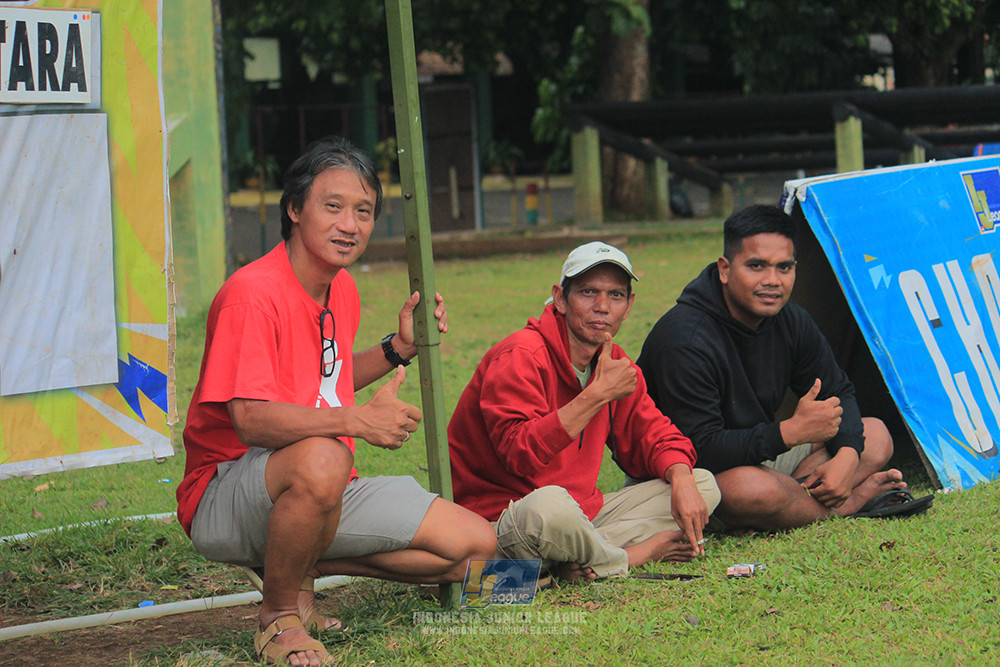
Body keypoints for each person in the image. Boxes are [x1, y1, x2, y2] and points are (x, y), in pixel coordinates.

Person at [176, 137, 496, 666]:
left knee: (479, 546)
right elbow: (250, 420)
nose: (349, 224)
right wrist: (357, 421)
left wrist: (398, 349)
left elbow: (330, 378)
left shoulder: (341, 288)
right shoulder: (251, 294)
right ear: (294, 209)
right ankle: (279, 616)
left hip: (320, 484)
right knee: (328, 454)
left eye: (363, 211)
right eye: (333, 206)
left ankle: (304, 561)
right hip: (225, 492)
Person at [637, 204, 931, 533]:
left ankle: (794, 501)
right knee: (749, 488)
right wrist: (790, 433)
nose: (772, 281)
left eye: (784, 267)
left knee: (874, 436)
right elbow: (698, 448)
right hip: (689, 475)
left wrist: (846, 459)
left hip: (758, 455)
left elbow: (837, 390)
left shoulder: (790, 319)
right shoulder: (684, 339)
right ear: (725, 269)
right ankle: (846, 505)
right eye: (756, 266)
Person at [447, 242, 721, 583]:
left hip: (581, 516)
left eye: (616, 295)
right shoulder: (520, 355)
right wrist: (596, 395)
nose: (602, 306)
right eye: (588, 292)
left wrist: (680, 476)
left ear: (629, 306)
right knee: (550, 505)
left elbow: (653, 435)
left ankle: (567, 563)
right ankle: (627, 557)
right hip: (506, 520)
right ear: (560, 298)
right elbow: (519, 454)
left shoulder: (613, 362)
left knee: (703, 483)